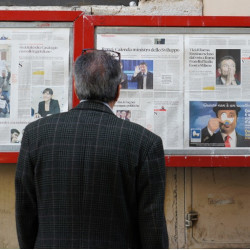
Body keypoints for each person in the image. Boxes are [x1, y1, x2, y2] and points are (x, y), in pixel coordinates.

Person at [16, 50, 168, 249]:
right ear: (118, 91)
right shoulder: (145, 143)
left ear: (75, 87)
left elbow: (25, 211)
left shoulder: (35, 134)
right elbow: (152, 223)